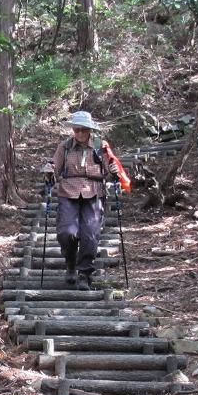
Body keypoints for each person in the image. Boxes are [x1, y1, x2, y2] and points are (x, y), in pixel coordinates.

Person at [44, 111, 120, 291]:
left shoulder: (100, 146)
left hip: (94, 192)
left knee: (90, 233)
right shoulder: (65, 146)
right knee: (66, 232)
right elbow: (55, 171)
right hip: (68, 191)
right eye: (76, 129)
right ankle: (70, 263)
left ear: (89, 130)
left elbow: (110, 173)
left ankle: (84, 274)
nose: (79, 133)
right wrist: (49, 173)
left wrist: (114, 172)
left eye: (83, 129)